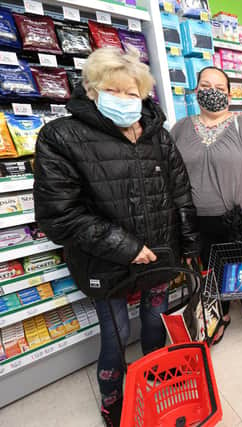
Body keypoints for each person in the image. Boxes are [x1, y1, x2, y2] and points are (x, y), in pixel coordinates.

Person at [32, 47, 199, 426]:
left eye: (132, 92)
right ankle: (114, 400)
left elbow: (180, 193)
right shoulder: (61, 137)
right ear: (92, 90)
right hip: (103, 261)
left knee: (155, 321)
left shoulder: (157, 132)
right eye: (115, 90)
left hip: (159, 254)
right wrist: (126, 247)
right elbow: (59, 216)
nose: (125, 100)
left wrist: (188, 244)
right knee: (117, 332)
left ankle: (155, 381)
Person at [171, 67, 242, 345]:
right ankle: (220, 315)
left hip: (237, 218)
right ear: (195, 91)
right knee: (209, 274)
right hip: (196, 221)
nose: (212, 92)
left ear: (229, 95)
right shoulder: (180, 128)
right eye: (205, 86)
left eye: (219, 88)